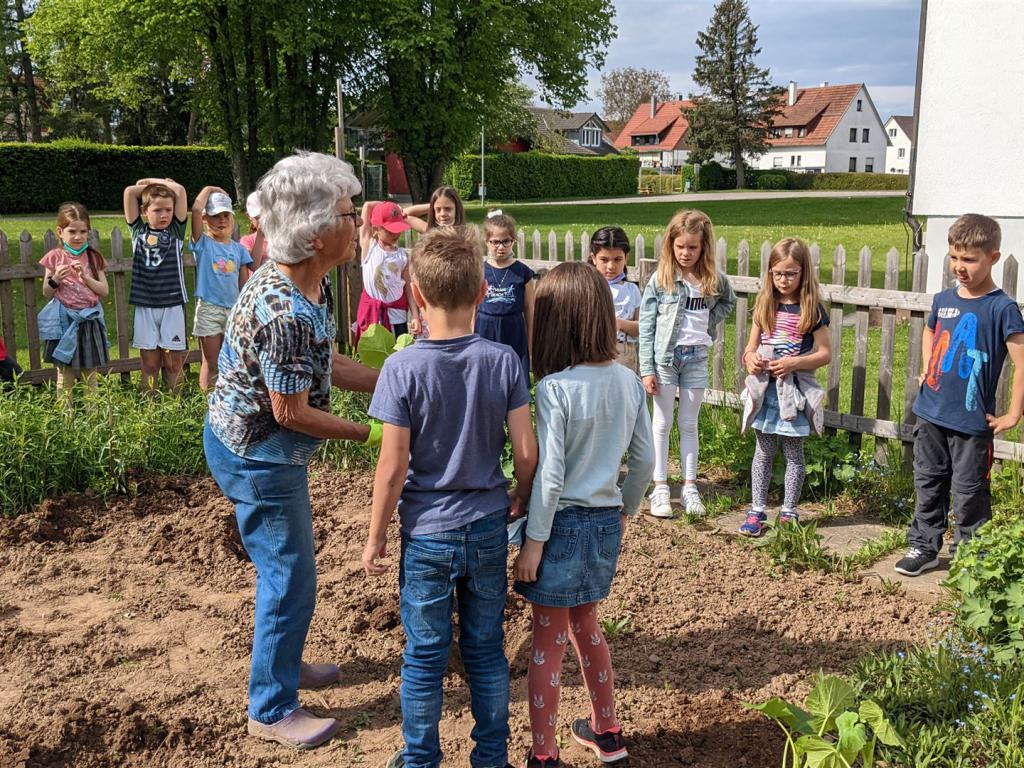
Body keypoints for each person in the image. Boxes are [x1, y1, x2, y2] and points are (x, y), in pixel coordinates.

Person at [203, 152, 381, 750]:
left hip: (259, 446)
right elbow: (292, 412)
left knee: (291, 569)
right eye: (348, 215)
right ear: (313, 232)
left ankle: (283, 662)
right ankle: (272, 706)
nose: (358, 226)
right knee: (289, 576)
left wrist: (392, 378)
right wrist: (373, 434)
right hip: (258, 457)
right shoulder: (284, 311)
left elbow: (321, 363)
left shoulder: (304, 283)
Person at [362, 224, 538, 768]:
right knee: (486, 651)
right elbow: (527, 451)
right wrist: (519, 496)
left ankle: (420, 758)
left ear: (415, 293)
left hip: (427, 533)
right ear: (483, 292)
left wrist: (375, 538)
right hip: (487, 525)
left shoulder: (401, 367)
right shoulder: (504, 362)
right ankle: (491, 758)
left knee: (424, 656)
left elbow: (392, 469)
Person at [513, 262, 654, 768]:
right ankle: (607, 730)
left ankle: (544, 755)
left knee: (547, 642)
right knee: (587, 626)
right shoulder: (629, 381)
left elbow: (549, 478)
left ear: (554, 322)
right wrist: (626, 510)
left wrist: (533, 541)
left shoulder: (555, 389)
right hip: (604, 523)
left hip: (559, 527)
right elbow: (644, 462)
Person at [895, 214, 1024, 576]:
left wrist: (1014, 414)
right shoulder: (943, 299)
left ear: (993, 258)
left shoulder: (1002, 308)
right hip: (931, 412)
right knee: (928, 481)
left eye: (969, 259)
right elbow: (929, 330)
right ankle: (924, 547)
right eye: (954, 257)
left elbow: (1021, 362)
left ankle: (972, 557)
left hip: (971, 422)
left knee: (969, 492)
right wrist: (927, 367)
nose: (959, 267)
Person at [638, 209, 736, 518]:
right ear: (671, 244)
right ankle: (661, 487)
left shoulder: (712, 280)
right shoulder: (662, 279)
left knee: (689, 423)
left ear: (704, 246)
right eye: (680, 247)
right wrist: (647, 368)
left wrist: (708, 324)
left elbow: (728, 302)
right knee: (662, 423)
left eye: (692, 247)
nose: (685, 253)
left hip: (696, 359)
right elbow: (647, 325)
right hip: (665, 361)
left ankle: (690, 488)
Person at [738, 237, 831, 537]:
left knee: (793, 453)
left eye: (790, 273)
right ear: (769, 273)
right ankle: (757, 510)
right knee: (763, 452)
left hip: (793, 394)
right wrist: (751, 359)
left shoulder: (812, 309)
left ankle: (789, 511)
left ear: (803, 273)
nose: (783, 279)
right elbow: (749, 349)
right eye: (777, 273)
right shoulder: (765, 304)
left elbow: (825, 354)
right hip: (766, 393)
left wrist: (794, 363)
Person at [38, 202, 110, 403]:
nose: (78, 237)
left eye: (83, 231)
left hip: (88, 322)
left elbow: (104, 290)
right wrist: (56, 279)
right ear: (60, 232)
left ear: (88, 232)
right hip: (64, 324)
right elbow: (46, 292)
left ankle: (94, 417)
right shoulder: (54, 258)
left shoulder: (94, 258)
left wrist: (86, 278)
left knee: (90, 375)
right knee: (65, 375)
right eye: (72, 231)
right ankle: (66, 421)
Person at [122, 177, 189, 392]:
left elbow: (180, 189)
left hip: (172, 304)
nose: (164, 215)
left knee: (173, 363)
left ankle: (175, 409)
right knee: (149, 364)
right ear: (144, 212)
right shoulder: (138, 232)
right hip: (146, 305)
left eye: (168, 210)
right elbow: (129, 192)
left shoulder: (176, 232)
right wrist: (148, 184)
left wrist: (160, 182)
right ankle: (150, 412)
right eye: (158, 210)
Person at [190, 186, 253, 390]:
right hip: (209, 309)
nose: (222, 220)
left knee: (234, 361)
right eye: (216, 216)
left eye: (226, 215)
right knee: (211, 361)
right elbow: (196, 209)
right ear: (207, 219)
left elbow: (243, 284)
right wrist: (208, 189)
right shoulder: (203, 244)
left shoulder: (239, 250)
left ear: (232, 219)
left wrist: (243, 311)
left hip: (233, 310)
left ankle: (228, 400)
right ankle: (208, 402)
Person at [475, 211, 535, 384]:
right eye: (495, 242)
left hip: (513, 331)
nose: (500, 247)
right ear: (487, 242)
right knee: (486, 378)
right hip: (485, 330)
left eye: (505, 241)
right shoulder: (479, 271)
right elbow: (472, 307)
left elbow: (530, 310)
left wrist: (530, 347)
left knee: (514, 380)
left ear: (513, 241)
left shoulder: (523, 273)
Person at [354, 201, 420, 343]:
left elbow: (408, 285)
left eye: (398, 229)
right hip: (373, 316)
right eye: (390, 230)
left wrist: (415, 314)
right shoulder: (369, 246)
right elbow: (367, 206)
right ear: (376, 229)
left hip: (397, 316)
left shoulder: (402, 256)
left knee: (397, 354)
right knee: (373, 357)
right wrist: (392, 205)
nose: (396, 234)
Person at [589, 225, 640, 370]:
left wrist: (619, 323)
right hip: (592, 353)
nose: (611, 266)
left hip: (624, 354)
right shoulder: (587, 287)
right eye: (604, 260)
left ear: (626, 258)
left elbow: (641, 327)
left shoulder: (632, 290)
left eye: (617, 260)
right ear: (594, 258)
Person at [240, 190, 269, 268]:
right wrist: (260, 235)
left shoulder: (283, 237)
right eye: (258, 217)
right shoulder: (247, 240)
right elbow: (254, 266)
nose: (263, 220)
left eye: (266, 215)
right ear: (249, 217)